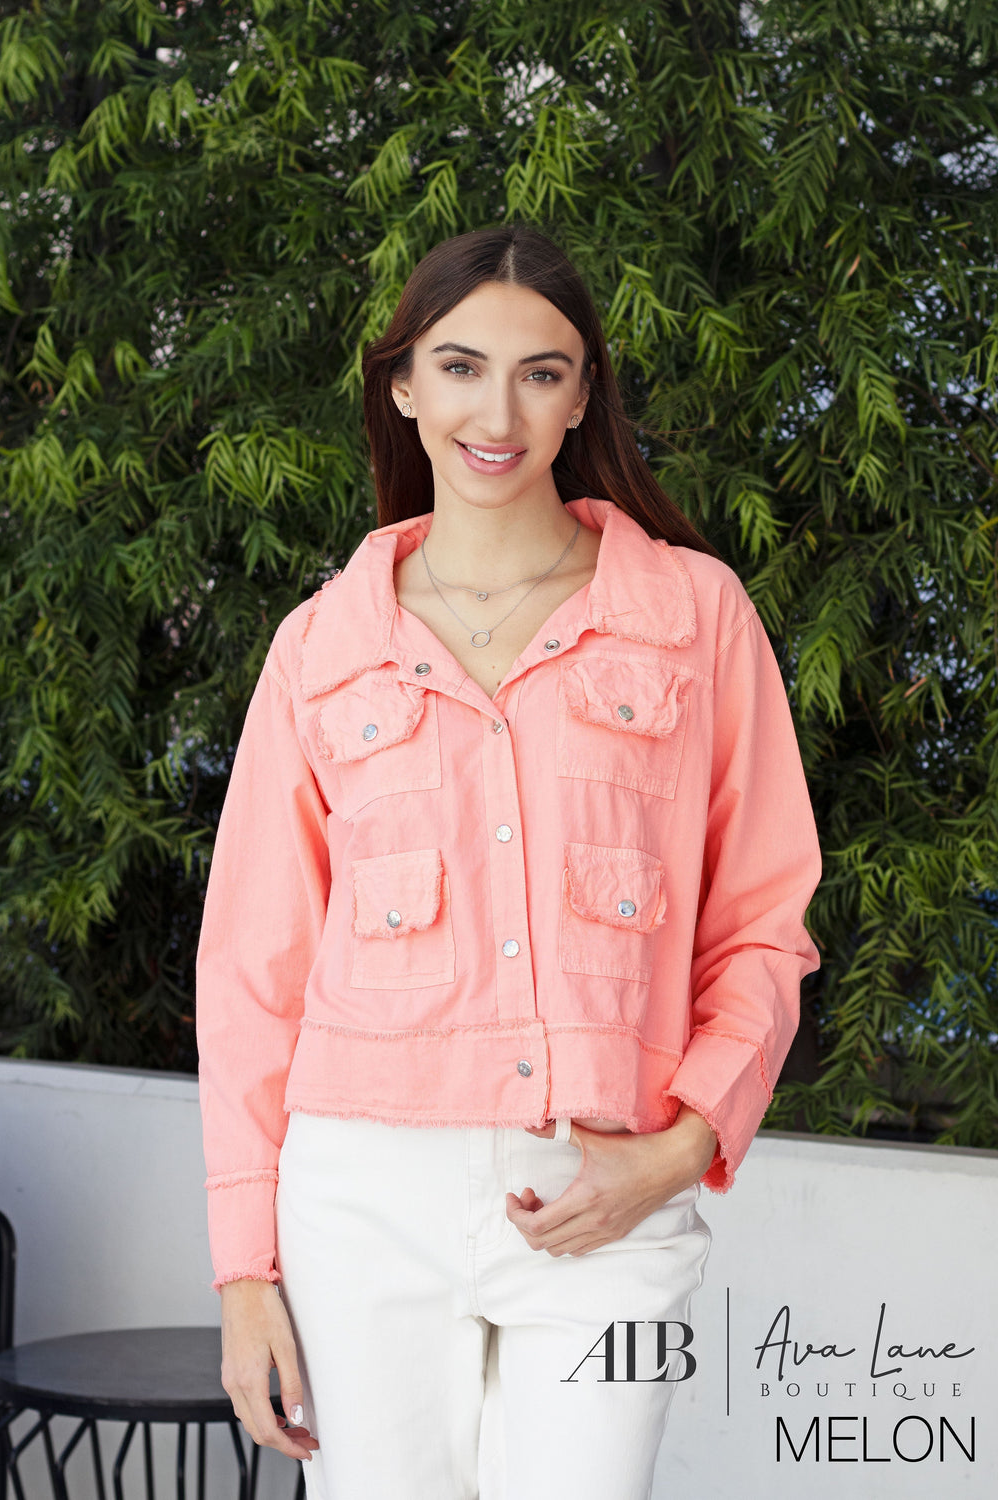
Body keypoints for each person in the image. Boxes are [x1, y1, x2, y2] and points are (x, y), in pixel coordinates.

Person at [196, 223, 822, 1500]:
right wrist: (244, 1272)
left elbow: (763, 921)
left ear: (582, 395)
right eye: (460, 367)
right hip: (359, 1200)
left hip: (613, 1197)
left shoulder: (693, 615)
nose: (498, 413)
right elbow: (254, 971)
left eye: (541, 373)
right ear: (402, 387)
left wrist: (679, 1150)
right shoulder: (322, 646)